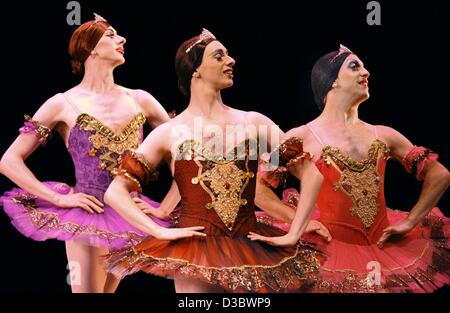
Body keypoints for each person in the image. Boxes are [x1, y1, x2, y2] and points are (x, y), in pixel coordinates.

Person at [102, 29, 325, 293]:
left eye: (228, 55)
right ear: (195, 70)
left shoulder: (254, 125)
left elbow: (311, 174)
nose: (231, 61)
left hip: (249, 248)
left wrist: (293, 233)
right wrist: (159, 232)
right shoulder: (170, 132)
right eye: (219, 56)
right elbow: (115, 192)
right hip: (194, 250)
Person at [0, 13, 178, 292]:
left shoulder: (140, 99)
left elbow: (184, 153)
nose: (122, 39)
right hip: (89, 212)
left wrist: (168, 205)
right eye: (111, 35)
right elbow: (9, 161)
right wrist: (56, 199)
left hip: (129, 213)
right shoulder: (63, 103)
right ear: (90, 48)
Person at [256, 44, 450, 292]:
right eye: (355, 66)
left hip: (383, 246)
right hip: (329, 247)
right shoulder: (300, 137)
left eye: (364, 66)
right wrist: (298, 221)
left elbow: (440, 174)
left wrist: (411, 221)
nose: (366, 72)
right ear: (332, 81)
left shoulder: (384, 135)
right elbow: (257, 188)